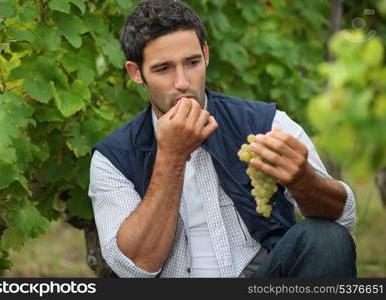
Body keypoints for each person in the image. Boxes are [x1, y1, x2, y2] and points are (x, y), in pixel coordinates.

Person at [88, 0, 356, 278]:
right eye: (163, 69)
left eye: (192, 63)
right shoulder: (112, 158)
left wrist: (304, 181)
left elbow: (344, 218)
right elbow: (134, 268)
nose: (182, 82)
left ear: (205, 54)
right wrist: (171, 157)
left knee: (325, 236)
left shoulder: (265, 123)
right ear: (136, 73)